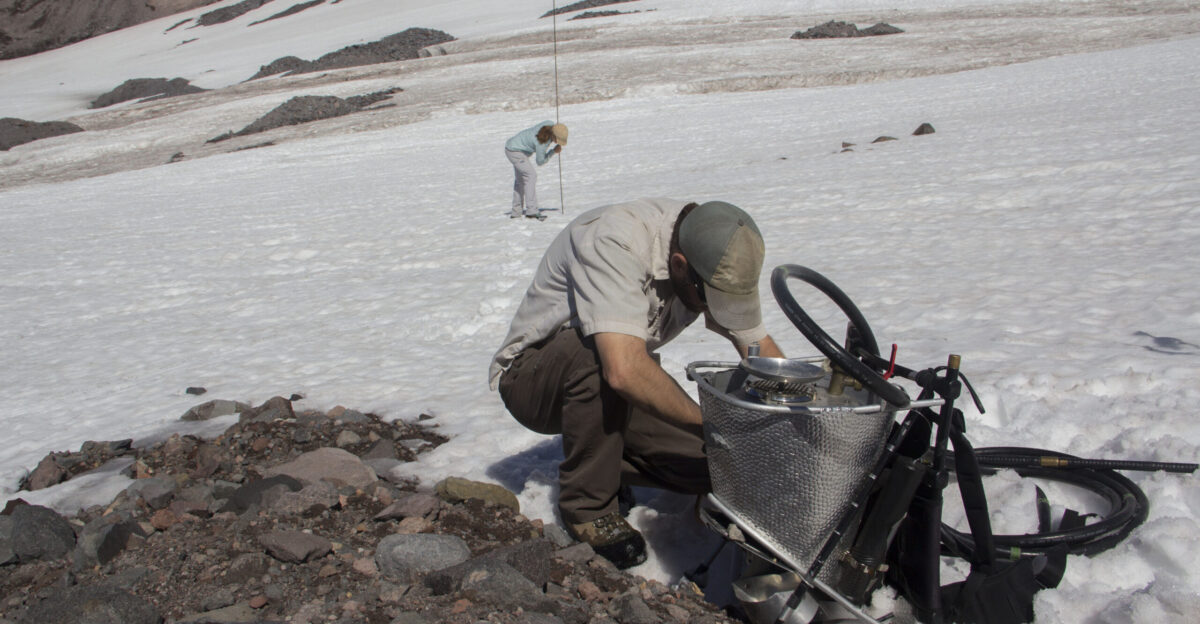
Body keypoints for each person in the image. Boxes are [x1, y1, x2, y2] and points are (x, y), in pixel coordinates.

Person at [489, 198, 784, 569]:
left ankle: (607, 457)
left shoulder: (716, 252)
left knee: (716, 464)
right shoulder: (616, 239)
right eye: (709, 301)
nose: (713, 311)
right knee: (599, 353)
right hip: (533, 381)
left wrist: (793, 409)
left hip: (613, 383)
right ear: (680, 266)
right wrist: (710, 424)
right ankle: (588, 508)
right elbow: (624, 370)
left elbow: (758, 349)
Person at [505, 120, 567, 219]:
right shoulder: (542, 143)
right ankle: (531, 211)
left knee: (521, 180)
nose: (557, 142)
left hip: (511, 147)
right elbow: (540, 161)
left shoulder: (548, 123)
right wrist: (553, 152)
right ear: (554, 136)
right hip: (515, 152)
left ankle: (516, 212)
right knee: (531, 176)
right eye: (558, 140)